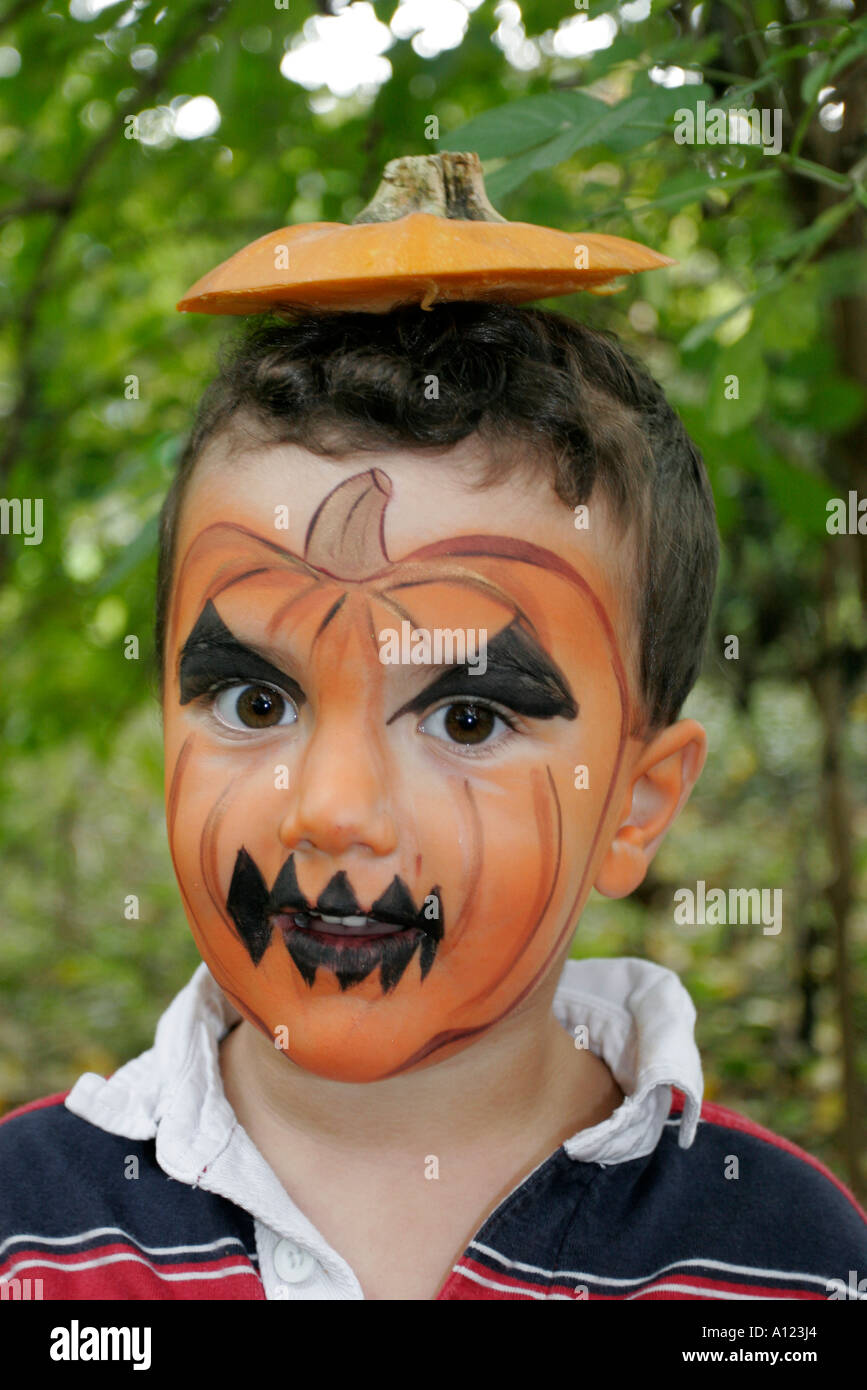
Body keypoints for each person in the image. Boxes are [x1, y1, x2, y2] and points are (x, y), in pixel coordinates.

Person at [1, 303, 864, 1301]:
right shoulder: (27, 1239)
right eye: (256, 700)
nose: (333, 808)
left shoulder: (784, 1263)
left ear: (636, 804)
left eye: (465, 719)